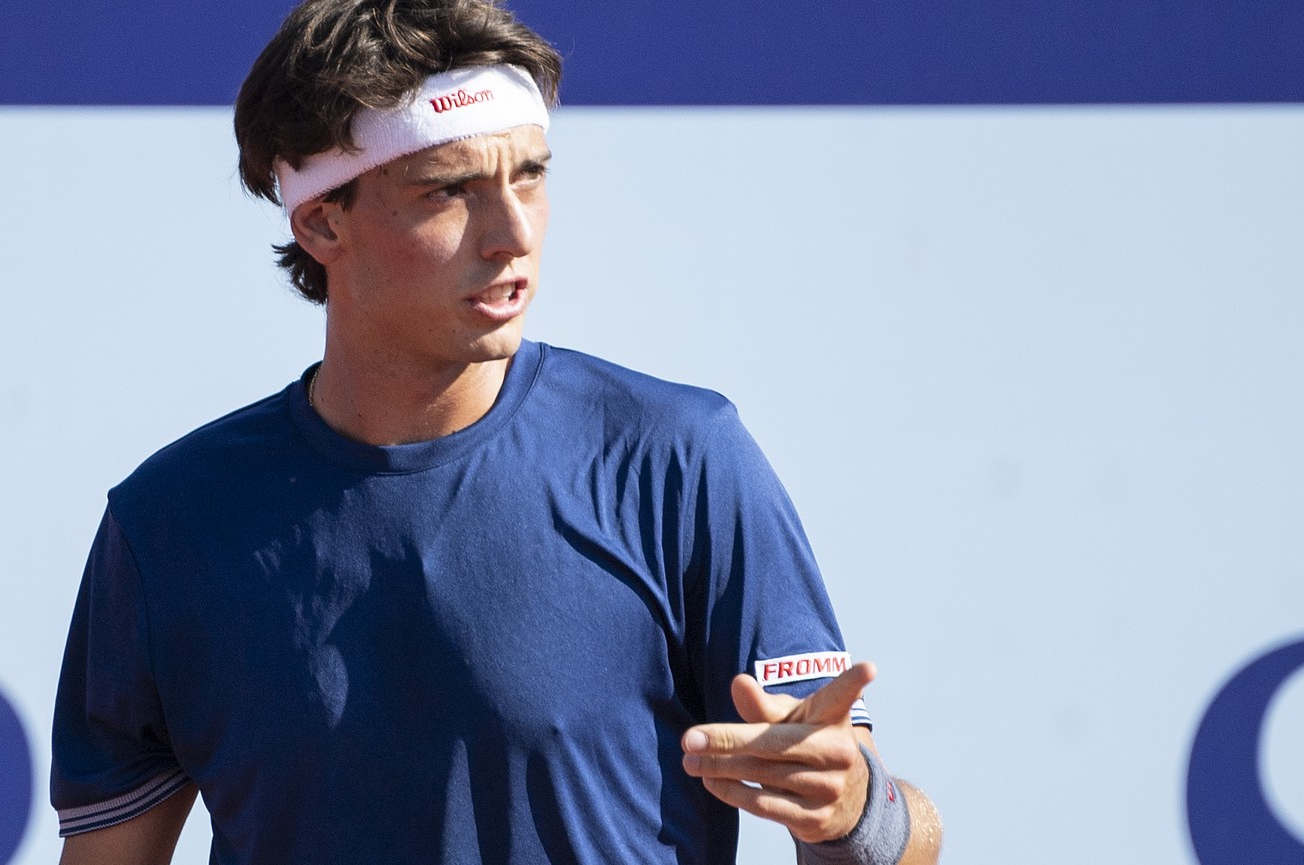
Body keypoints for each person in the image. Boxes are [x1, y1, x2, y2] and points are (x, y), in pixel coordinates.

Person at [50, 0, 942, 862]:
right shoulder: (167, 521)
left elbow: (894, 836)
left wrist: (857, 811)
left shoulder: (681, 457)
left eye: (531, 174)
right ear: (322, 219)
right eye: (451, 190)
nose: (513, 233)